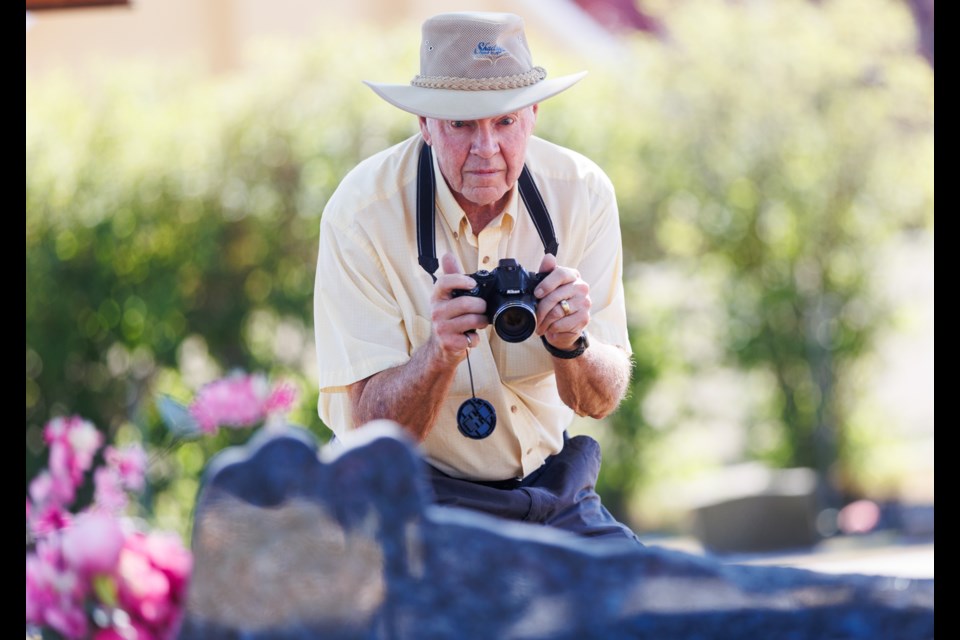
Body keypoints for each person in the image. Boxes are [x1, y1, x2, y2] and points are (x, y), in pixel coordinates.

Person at [314, 11, 640, 546]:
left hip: (554, 489)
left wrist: (571, 343)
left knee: (640, 610)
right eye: (461, 124)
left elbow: (599, 401)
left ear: (534, 113)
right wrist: (438, 353)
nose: (486, 149)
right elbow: (370, 434)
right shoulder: (360, 214)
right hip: (417, 496)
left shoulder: (583, 193)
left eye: (505, 122)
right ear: (423, 123)